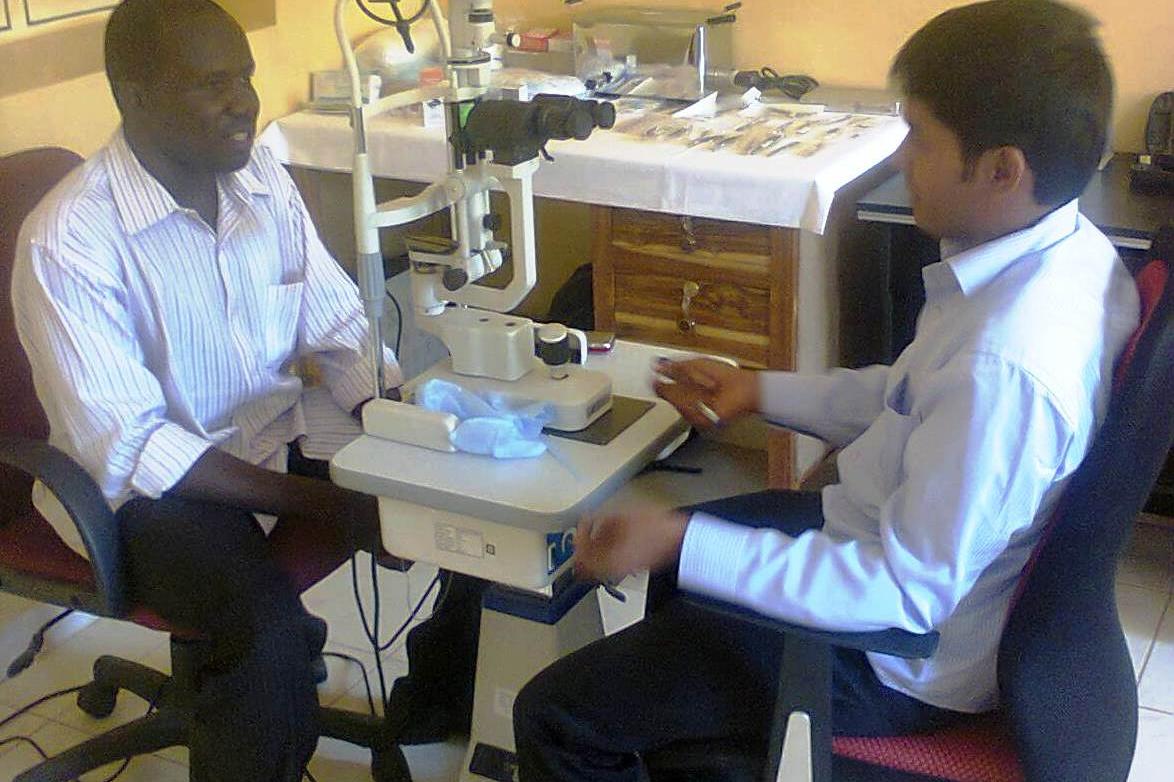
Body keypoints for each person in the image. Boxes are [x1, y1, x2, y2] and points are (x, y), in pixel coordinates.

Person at [511, 1, 1141, 779]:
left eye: (920, 138)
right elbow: (905, 398)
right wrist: (758, 392)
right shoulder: (1063, 253)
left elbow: (899, 596)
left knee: (555, 715)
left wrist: (677, 538)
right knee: (680, 569)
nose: (901, 158)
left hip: (890, 656)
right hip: (878, 537)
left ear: (1001, 169)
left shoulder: (1006, 365)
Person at [11, 1, 407, 779]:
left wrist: (399, 427)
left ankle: (440, 695)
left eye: (245, 78)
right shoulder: (69, 240)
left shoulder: (258, 176)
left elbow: (337, 322)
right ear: (135, 96)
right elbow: (133, 444)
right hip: (148, 490)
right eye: (212, 84)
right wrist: (331, 504)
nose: (243, 103)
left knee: (471, 498)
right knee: (263, 636)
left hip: (269, 428)